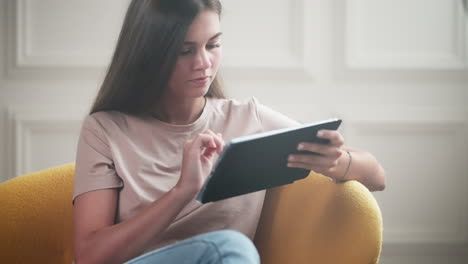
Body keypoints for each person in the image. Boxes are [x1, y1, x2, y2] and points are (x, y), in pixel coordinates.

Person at [72, 0, 386, 263]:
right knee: (229, 248)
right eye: (185, 50)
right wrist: (183, 191)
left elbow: (377, 177)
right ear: (149, 53)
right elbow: (90, 255)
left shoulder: (248, 119)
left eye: (213, 45)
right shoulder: (105, 129)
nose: (204, 63)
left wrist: (337, 163)